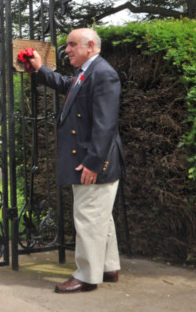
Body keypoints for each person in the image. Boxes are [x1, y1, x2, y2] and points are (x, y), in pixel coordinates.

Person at [27, 27, 124, 293]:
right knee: (100, 216)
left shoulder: (103, 74)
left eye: (72, 45)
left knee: (88, 217)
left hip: (93, 162)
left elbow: (106, 126)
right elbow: (68, 86)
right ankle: (108, 267)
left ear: (90, 46)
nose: (66, 50)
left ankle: (87, 276)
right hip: (90, 159)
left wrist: (93, 163)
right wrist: (39, 69)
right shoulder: (88, 72)